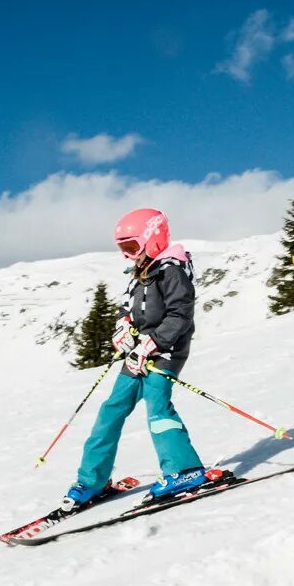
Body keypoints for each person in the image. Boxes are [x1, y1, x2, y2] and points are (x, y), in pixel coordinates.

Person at [61, 208, 209, 512]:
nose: (127, 255)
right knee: (110, 411)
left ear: (152, 240)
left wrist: (153, 343)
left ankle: (185, 471)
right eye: (123, 249)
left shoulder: (172, 270)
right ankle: (93, 480)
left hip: (165, 353)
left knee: (158, 408)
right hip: (137, 353)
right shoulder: (141, 272)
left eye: (131, 247)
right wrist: (123, 327)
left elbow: (180, 315)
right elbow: (127, 309)